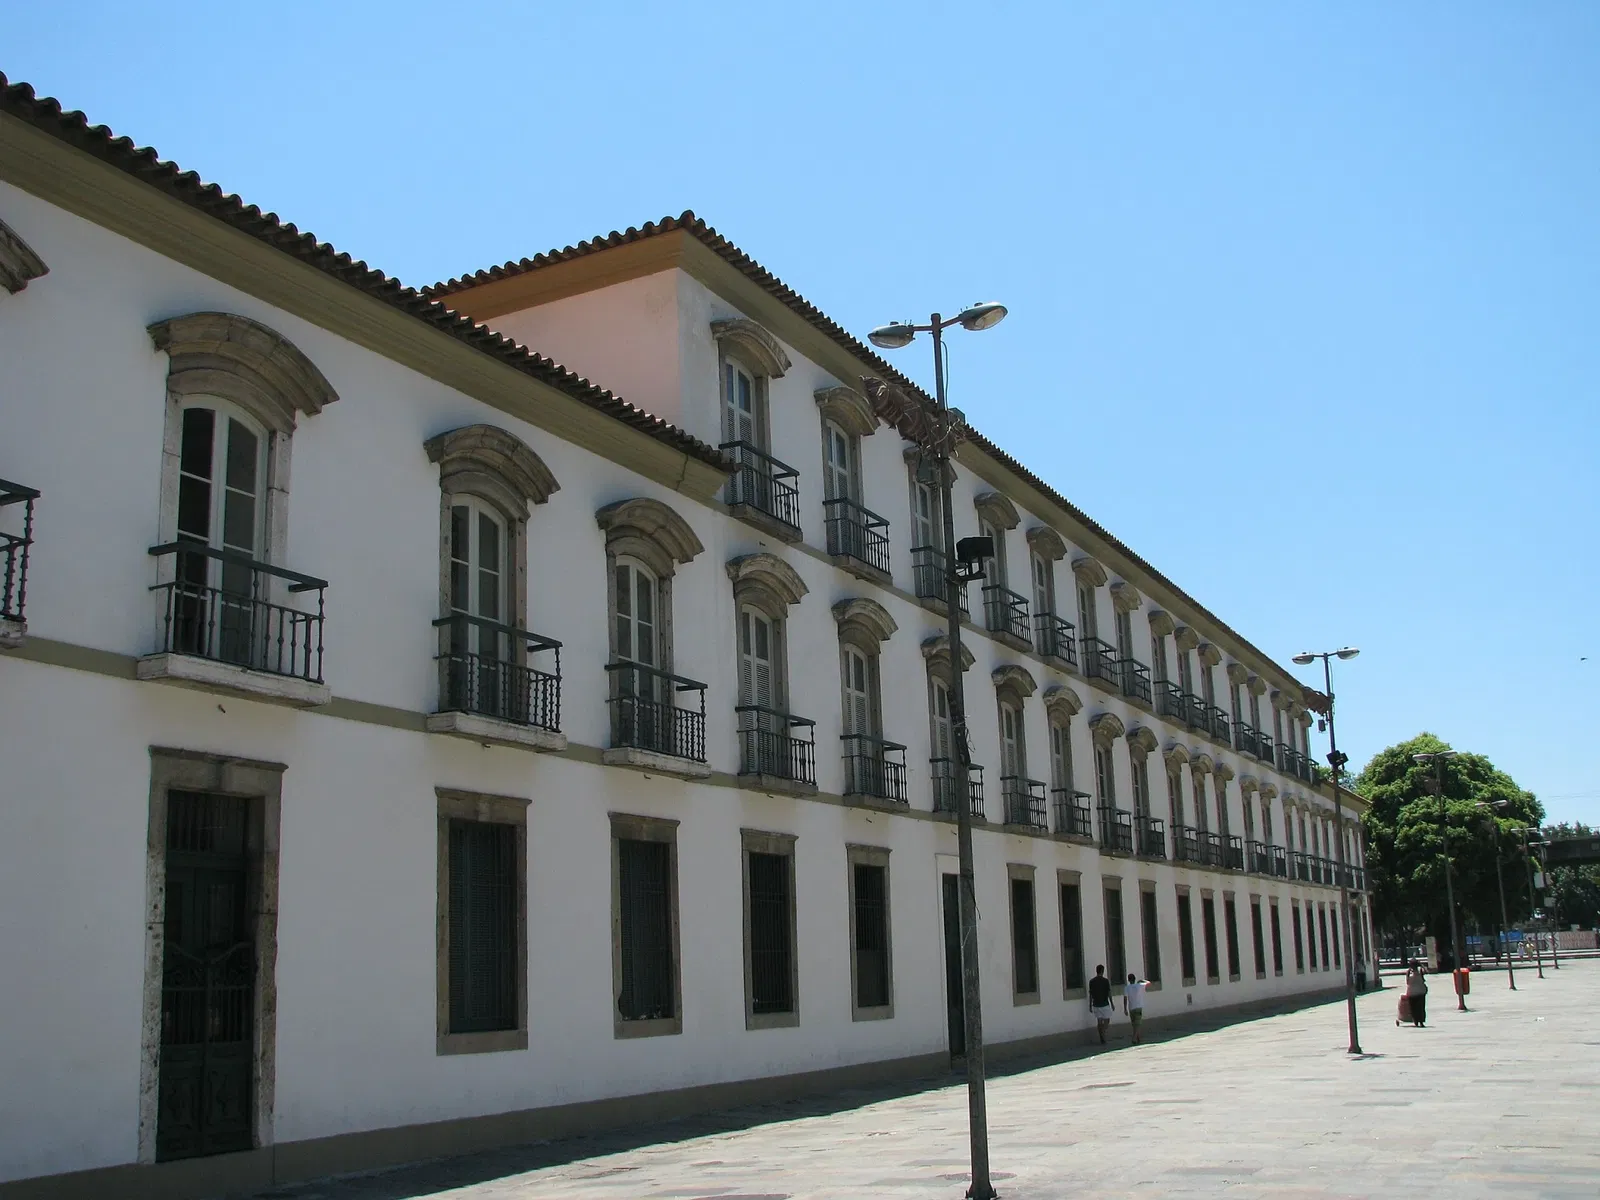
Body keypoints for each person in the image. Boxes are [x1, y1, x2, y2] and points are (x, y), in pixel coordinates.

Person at [1088, 964, 1114, 1044]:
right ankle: (1103, 1032)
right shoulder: (1105, 981)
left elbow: (1091, 994)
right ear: (1102, 971)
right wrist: (1112, 1003)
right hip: (1105, 1003)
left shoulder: (1092, 982)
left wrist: (1090, 1005)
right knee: (1107, 1020)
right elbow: (1109, 993)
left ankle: (1101, 1036)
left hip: (1096, 1004)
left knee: (1099, 1021)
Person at [1123, 972, 1148, 1044]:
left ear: (1128, 980)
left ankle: (1138, 1038)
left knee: (1134, 1024)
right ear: (1134, 979)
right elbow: (1148, 983)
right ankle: (1134, 1038)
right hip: (1138, 1007)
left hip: (1131, 1008)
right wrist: (1141, 980)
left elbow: (1125, 999)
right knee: (1138, 1024)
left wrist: (1125, 1009)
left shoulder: (1127, 988)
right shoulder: (1139, 985)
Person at [1403, 959, 1428, 1028]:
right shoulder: (1412, 971)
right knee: (1418, 1008)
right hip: (1416, 992)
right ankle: (1418, 1021)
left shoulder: (1413, 971)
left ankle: (1418, 1021)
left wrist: (1421, 966)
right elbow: (1426, 971)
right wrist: (1421, 965)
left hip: (1416, 992)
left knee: (1417, 1008)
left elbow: (1407, 982)